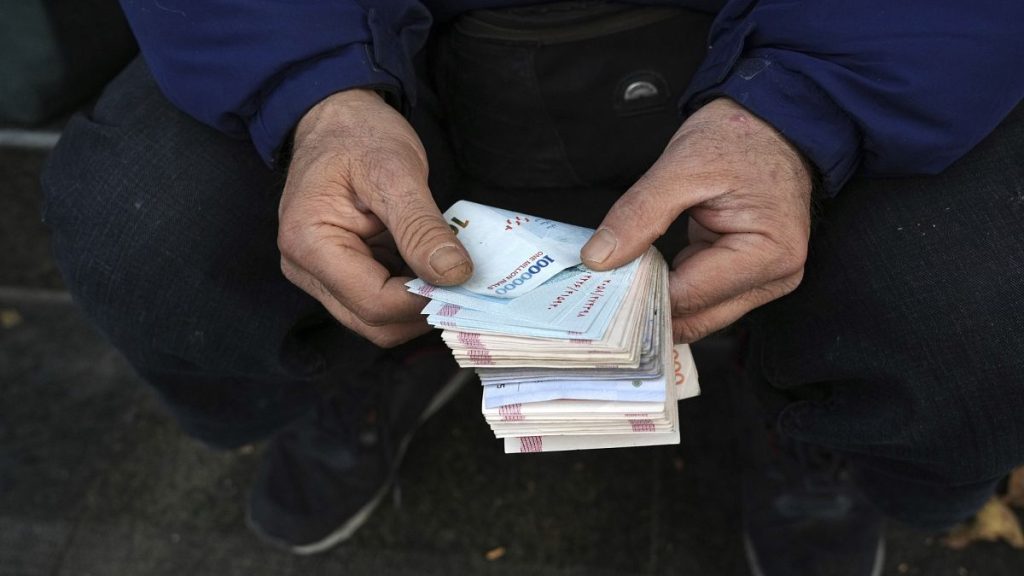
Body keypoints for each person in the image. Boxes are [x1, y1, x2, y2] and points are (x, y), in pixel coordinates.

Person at [41, 1, 1024, 573]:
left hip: (804, 31)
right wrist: (311, 88)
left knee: (975, 304)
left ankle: (816, 429)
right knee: (143, 223)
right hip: (385, 32)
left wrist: (816, 102)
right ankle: (349, 351)